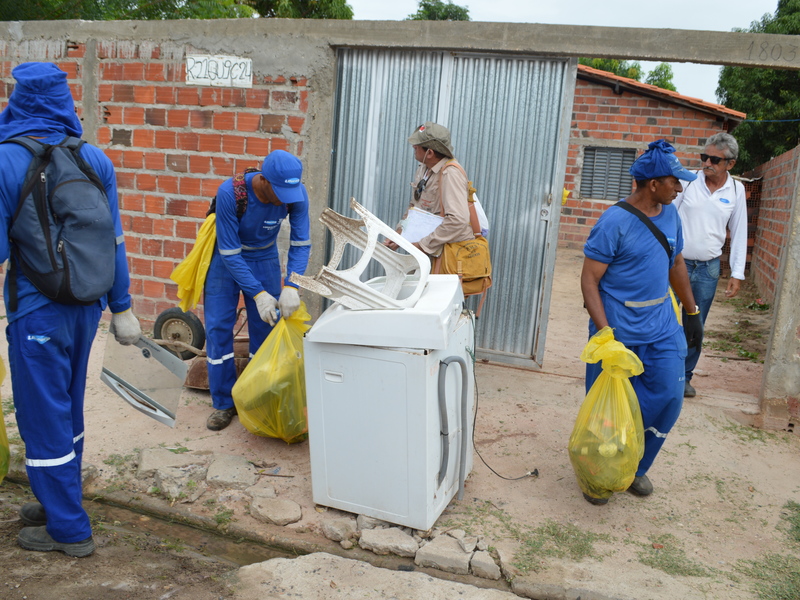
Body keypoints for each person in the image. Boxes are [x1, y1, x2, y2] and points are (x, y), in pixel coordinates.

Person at [0, 62, 142, 556]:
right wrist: (121, 307)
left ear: (19, 100)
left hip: (36, 311)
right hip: (87, 308)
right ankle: (56, 496)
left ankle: (68, 529)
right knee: (68, 409)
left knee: (42, 416)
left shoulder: (5, 160)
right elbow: (116, 239)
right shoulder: (94, 158)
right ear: (65, 102)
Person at [580, 139, 703, 505]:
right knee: (608, 409)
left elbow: (676, 263)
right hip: (618, 329)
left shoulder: (671, 215)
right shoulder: (614, 221)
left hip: (662, 326)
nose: (679, 188)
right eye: (674, 182)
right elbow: (590, 280)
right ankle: (597, 475)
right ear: (653, 184)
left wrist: (691, 312)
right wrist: (606, 335)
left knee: (668, 396)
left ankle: (634, 464)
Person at [204, 149, 311, 431]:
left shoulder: (295, 194)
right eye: (278, 193)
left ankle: (256, 398)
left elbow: (301, 244)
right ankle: (223, 403)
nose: (283, 202)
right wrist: (258, 293)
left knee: (266, 329)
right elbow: (229, 252)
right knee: (217, 329)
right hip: (226, 261)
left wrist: (292, 285)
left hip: (264, 258)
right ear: (263, 180)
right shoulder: (231, 193)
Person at [673, 133, 748, 398]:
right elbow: (668, 216)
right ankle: (659, 371)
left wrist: (736, 274)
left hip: (708, 269)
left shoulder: (736, 191)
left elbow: (739, 233)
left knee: (695, 325)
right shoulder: (688, 181)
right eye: (704, 157)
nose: (707, 163)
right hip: (675, 265)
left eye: (714, 159)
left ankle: (684, 377)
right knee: (665, 318)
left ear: (731, 164)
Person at [386, 122, 474, 256]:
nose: (413, 147)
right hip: (425, 253)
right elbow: (415, 208)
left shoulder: (450, 174)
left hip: (446, 256)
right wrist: (400, 235)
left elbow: (458, 220)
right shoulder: (424, 169)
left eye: (417, 146)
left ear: (430, 153)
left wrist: (423, 244)